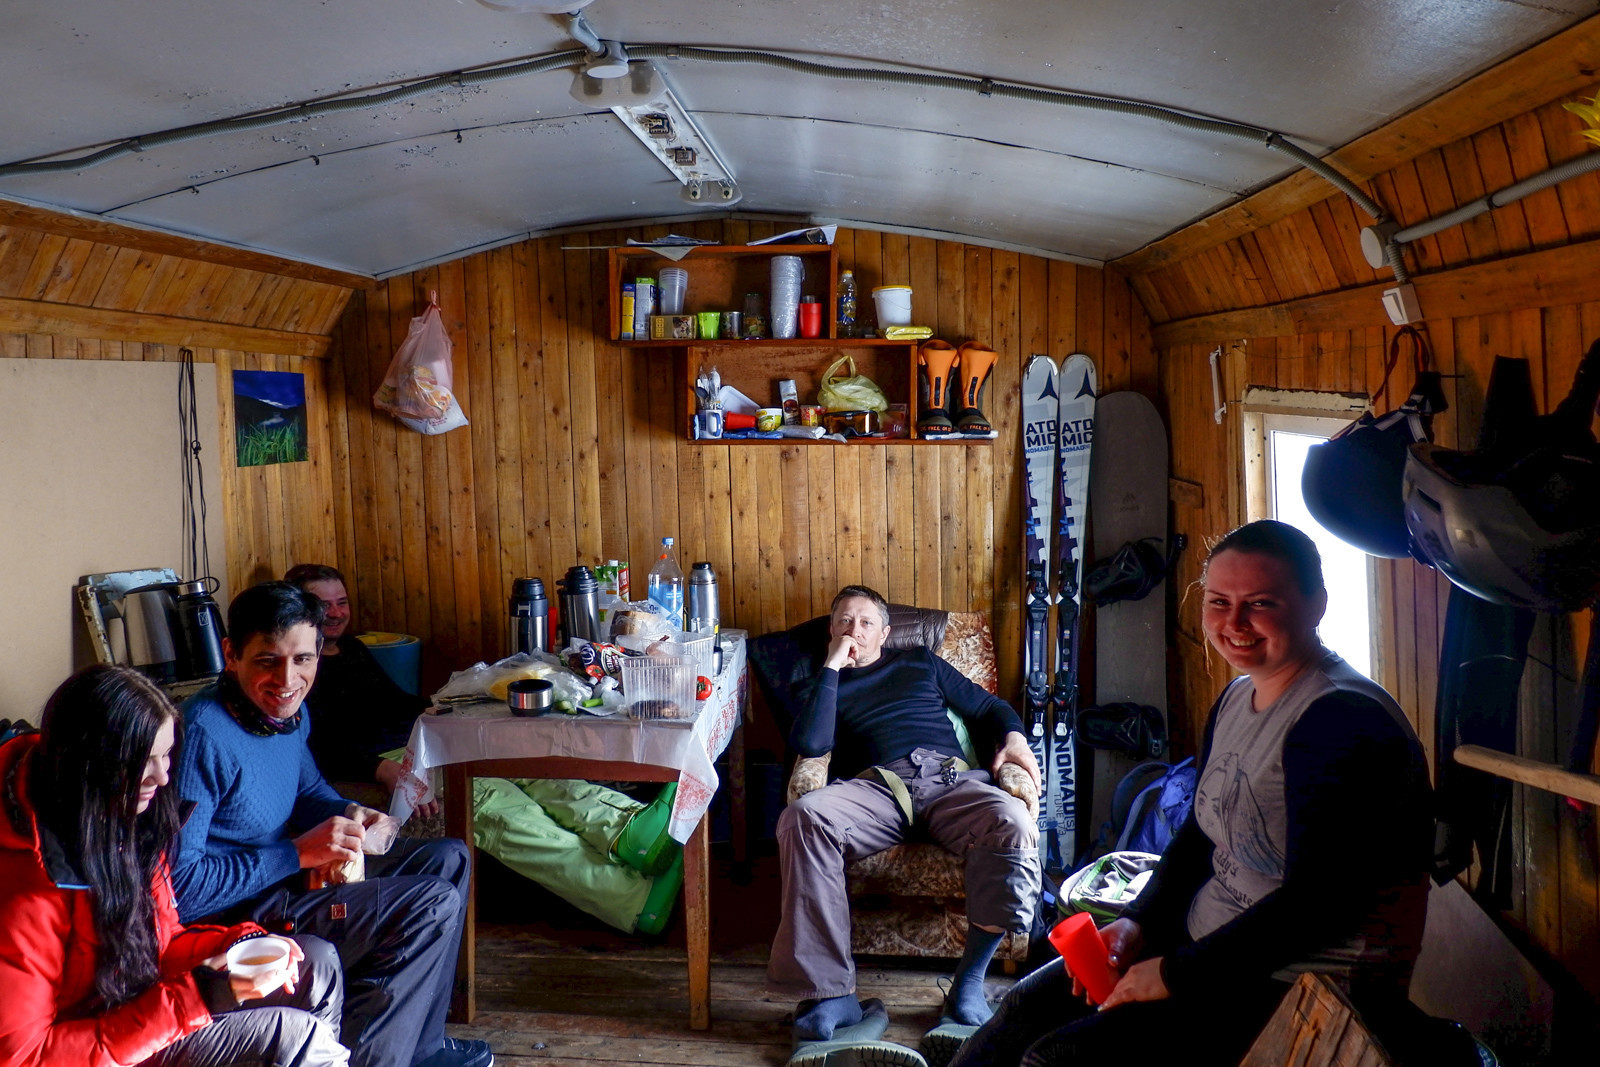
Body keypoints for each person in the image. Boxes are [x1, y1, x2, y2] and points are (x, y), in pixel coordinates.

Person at [949, 519, 1458, 1067]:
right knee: (1025, 1004)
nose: (1234, 624)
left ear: (1317, 605)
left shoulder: (1342, 720)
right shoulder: (1238, 696)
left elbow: (1314, 908)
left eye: (1260, 604)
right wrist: (1139, 922)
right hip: (1207, 946)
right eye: (1219, 602)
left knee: (1056, 1058)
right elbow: (1199, 835)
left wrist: (1173, 973)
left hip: (1302, 987)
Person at [170, 582, 492, 1067]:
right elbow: (183, 890)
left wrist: (350, 812)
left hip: (287, 879)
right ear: (231, 655)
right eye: (267, 661)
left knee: (449, 857)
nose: (287, 679)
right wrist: (297, 853)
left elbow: (308, 794)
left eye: (302, 659)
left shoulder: (288, 715)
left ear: (319, 652)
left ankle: (420, 1049)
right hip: (238, 911)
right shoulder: (202, 735)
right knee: (430, 903)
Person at [0, 664, 349, 1067]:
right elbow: (25, 1056)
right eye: (142, 762)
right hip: (88, 1046)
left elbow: (160, 944)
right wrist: (200, 995)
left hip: (134, 1010)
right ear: (89, 765)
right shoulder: (24, 888)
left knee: (315, 964)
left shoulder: (122, 817)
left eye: (166, 756)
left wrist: (234, 947)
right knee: (295, 1038)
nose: (163, 777)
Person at [769, 585, 1042, 1056]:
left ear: (885, 633)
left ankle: (968, 986)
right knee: (803, 818)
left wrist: (1014, 739)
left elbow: (989, 707)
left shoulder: (919, 661)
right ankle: (832, 996)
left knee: (1013, 824)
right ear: (831, 629)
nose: (854, 630)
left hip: (950, 780)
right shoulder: (817, 684)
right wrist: (832, 667)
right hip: (876, 787)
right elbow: (811, 744)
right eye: (844, 621)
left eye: (866, 622)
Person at [284, 563, 436, 818]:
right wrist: (380, 768)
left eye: (341, 603)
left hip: (406, 747)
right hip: (367, 767)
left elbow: (396, 702)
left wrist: (445, 707)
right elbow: (317, 747)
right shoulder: (297, 669)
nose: (336, 613)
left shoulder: (352, 648)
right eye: (323, 605)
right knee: (477, 795)